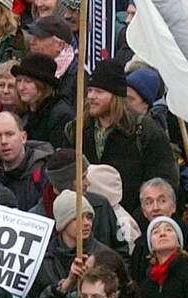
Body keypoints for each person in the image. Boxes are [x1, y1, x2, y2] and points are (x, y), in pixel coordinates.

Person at [76, 57, 178, 213]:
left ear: (116, 96)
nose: (91, 96)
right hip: (86, 220)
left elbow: (163, 183)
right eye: (90, 90)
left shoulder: (145, 131)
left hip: (131, 225)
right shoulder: (78, 129)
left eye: (99, 91)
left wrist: (135, 222)